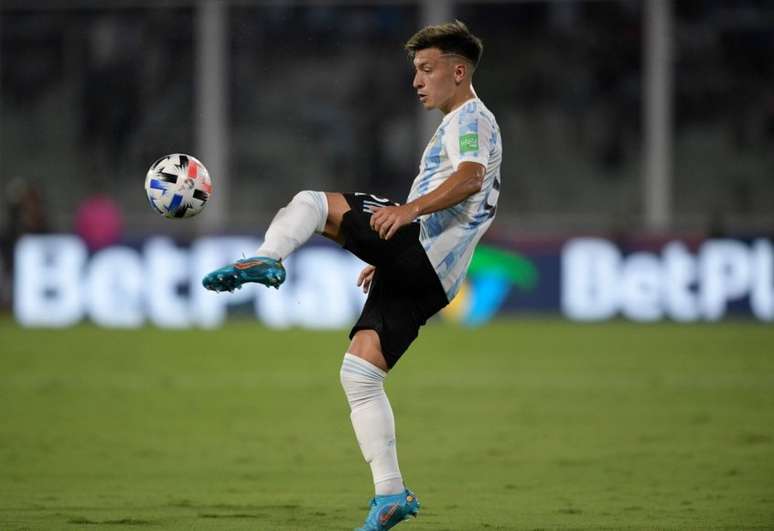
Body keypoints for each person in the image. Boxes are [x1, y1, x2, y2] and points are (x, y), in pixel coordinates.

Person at [203, 20, 501, 531]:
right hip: (433, 276)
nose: (417, 81)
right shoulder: (463, 121)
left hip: (420, 252)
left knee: (313, 203)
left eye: (427, 70)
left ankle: (270, 256)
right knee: (360, 375)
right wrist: (389, 254)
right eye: (415, 71)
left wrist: (406, 215)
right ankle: (390, 495)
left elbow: (470, 178)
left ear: (458, 71)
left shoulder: (469, 119)